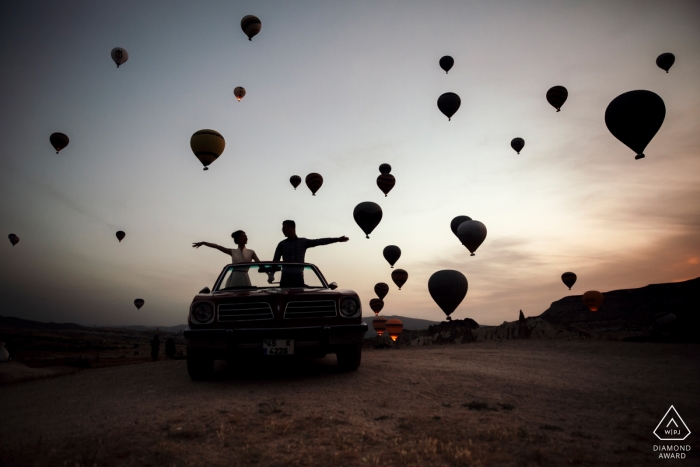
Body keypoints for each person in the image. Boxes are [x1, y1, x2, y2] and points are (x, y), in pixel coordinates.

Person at [272, 220, 348, 287]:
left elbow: (319, 241)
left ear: (292, 227)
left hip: (298, 277)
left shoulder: (302, 242)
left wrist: (337, 239)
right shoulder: (281, 244)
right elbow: (275, 261)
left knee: (299, 299)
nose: (283, 230)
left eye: (285, 227)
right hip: (285, 278)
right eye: (282, 228)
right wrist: (271, 275)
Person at [193, 231, 261, 288]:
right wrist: (203, 243)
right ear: (237, 239)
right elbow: (217, 246)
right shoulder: (232, 251)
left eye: (246, 236)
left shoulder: (251, 252)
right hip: (234, 277)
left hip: (245, 277)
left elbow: (260, 264)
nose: (245, 237)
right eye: (243, 236)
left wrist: (269, 274)